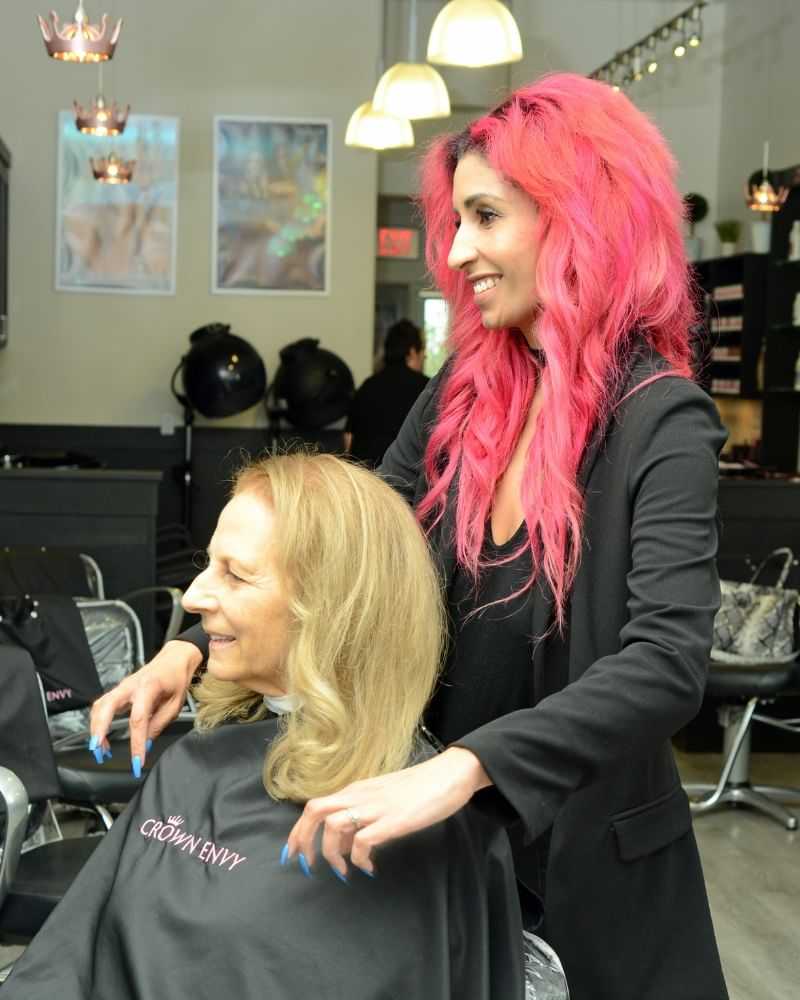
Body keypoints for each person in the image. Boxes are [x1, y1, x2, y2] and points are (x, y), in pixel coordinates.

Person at [90, 73, 729, 1000]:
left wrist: (470, 769)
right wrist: (193, 651)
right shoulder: (461, 396)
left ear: (578, 217)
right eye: (455, 219)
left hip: (586, 884)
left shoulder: (661, 422)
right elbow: (341, 548)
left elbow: (667, 662)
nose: (458, 248)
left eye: (486, 216)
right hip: (442, 851)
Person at [4, 454, 524, 999]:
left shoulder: (423, 820)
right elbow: (69, 958)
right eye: (208, 566)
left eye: (235, 574)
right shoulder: (193, 764)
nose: (197, 597)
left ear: (329, 605)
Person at [344, 318, 429, 467]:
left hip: (365, 477)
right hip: (405, 481)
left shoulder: (368, 386)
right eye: (422, 351)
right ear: (412, 351)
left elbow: (348, 438)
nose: (425, 356)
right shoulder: (426, 388)